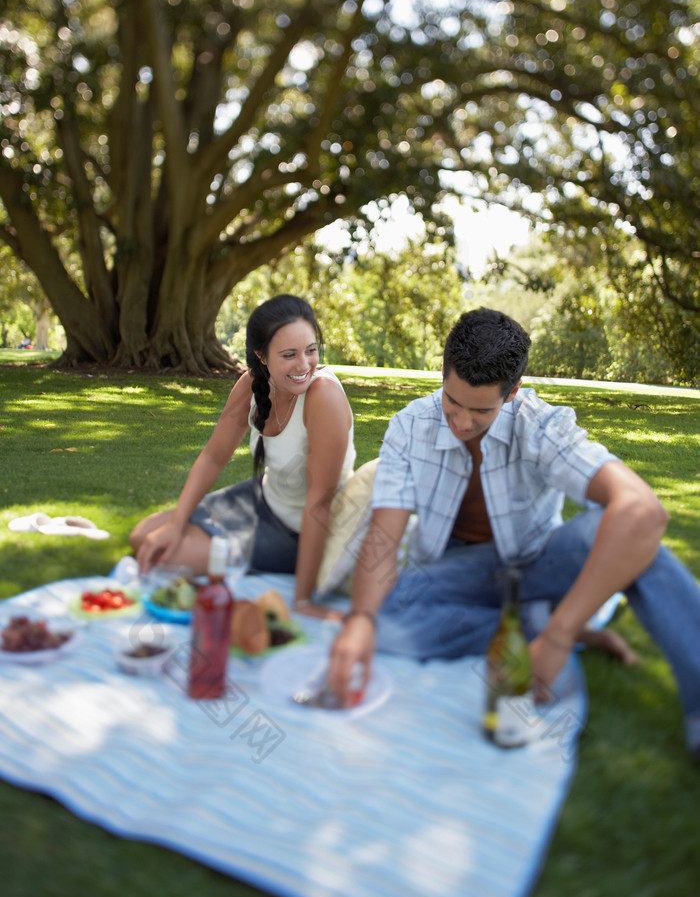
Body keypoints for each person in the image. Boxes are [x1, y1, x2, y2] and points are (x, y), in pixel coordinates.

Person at [328, 307, 700, 759]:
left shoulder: (539, 424)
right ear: (441, 372)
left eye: (481, 409)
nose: (462, 421)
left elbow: (644, 511)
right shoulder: (410, 425)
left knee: (629, 530)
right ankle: (536, 630)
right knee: (382, 623)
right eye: (452, 401)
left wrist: (559, 635)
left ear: (512, 392)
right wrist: (362, 621)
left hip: (536, 564)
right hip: (454, 571)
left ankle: (560, 633)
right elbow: (384, 539)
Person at [131, 294, 355, 619]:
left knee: (166, 556)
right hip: (260, 498)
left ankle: (256, 561)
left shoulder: (323, 397)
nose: (304, 365)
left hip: (300, 530)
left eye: (311, 350)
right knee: (145, 536)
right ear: (262, 356)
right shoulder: (253, 383)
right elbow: (213, 457)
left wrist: (304, 600)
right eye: (289, 355)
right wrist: (176, 525)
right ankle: (197, 538)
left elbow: (319, 504)